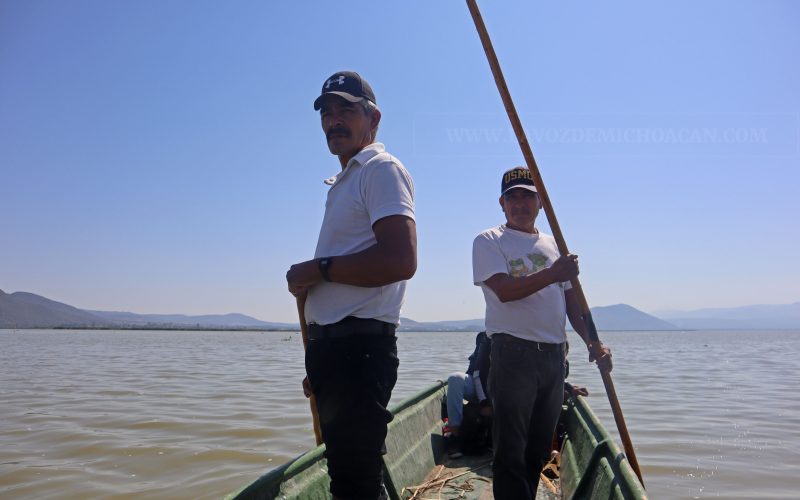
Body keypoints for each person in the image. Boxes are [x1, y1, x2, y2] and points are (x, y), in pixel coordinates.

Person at [286, 71, 417, 500]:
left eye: (346, 109)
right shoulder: (344, 180)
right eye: (327, 111)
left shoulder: (380, 169)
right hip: (337, 353)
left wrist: (318, 270)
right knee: (352, 476)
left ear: (373, 117)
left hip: (358, 352)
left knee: (355, 485)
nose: (334, 119)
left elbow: (400, 260)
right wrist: (320, 360)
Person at [472, 166, 612, 499]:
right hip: (512, 354)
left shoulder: (554, 246)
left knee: (537, 450)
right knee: (510, 452)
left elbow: (572, 305)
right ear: (502, 204)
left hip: (553, 358)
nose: (520, 203)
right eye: (512, 197)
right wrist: (553, 273)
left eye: (527, 196)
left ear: (541, 204)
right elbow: (503, 290)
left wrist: (594, 341)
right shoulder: (488, 241)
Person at [445, 331, 492, 458]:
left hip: (502, 393)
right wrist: (485, 402)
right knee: (455, 379)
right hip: (480, 388)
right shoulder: (485, 337)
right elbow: (477, 373)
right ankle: (455, 436)